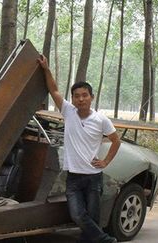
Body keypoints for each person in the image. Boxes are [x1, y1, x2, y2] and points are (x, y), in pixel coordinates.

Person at [37, 55, 121, 243]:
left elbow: (116, 141)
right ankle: (106, 240)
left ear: (92, 97)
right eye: (77, 96)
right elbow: (54, 90)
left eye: (85, 95)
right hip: (73, 177)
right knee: (77, 215)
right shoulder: (68, 111)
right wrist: (46, 68)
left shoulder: (101, 120)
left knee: (92, 217)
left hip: (93, 177)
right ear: (73, 99)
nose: (81, 99)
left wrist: (106, 161)